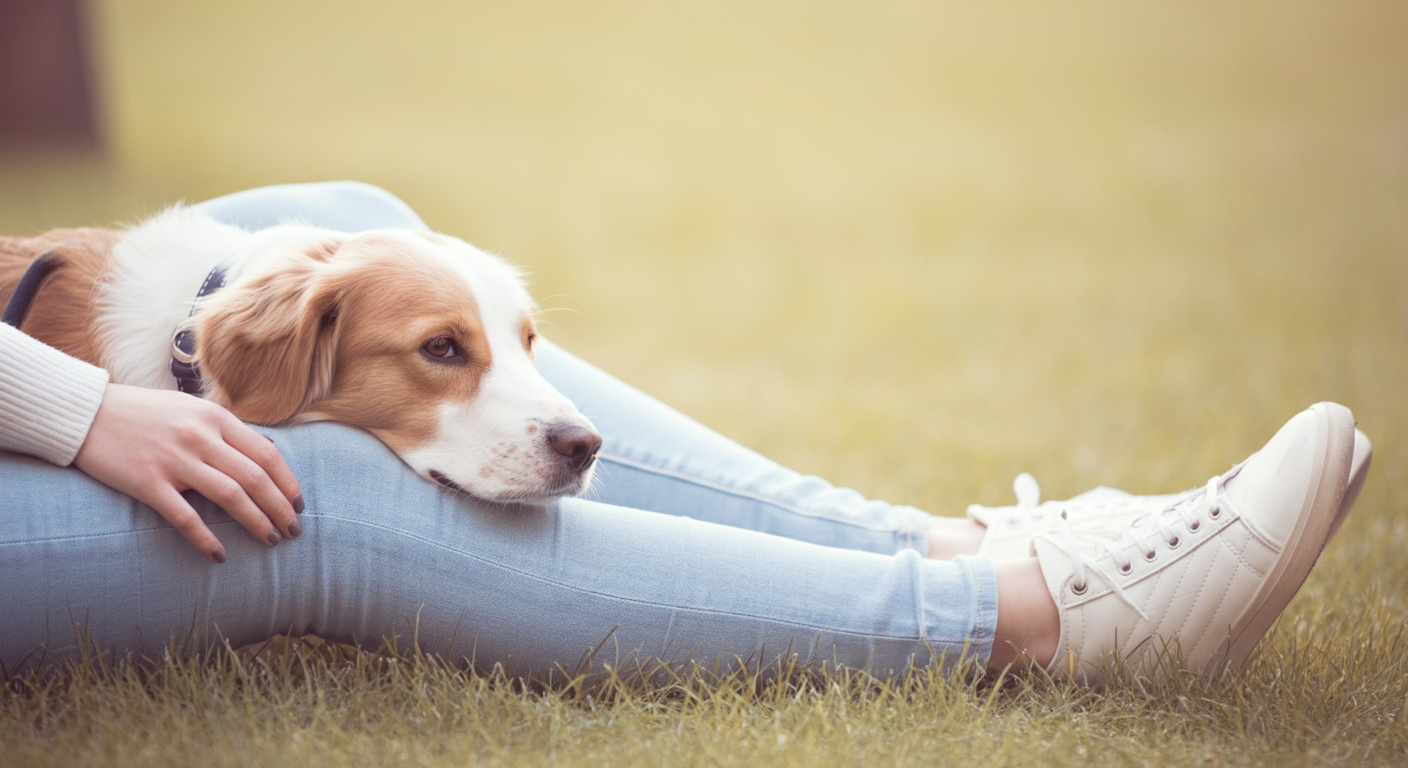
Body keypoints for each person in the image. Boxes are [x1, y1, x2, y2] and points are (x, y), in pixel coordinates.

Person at [0, 182, 1365, 684]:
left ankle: (956, 542)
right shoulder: (263, 354)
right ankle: (1035, 619)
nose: (567, 426)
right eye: (446, 357)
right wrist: (75, 407)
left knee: (366, 213)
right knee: (319, 488)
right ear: (264, 354)